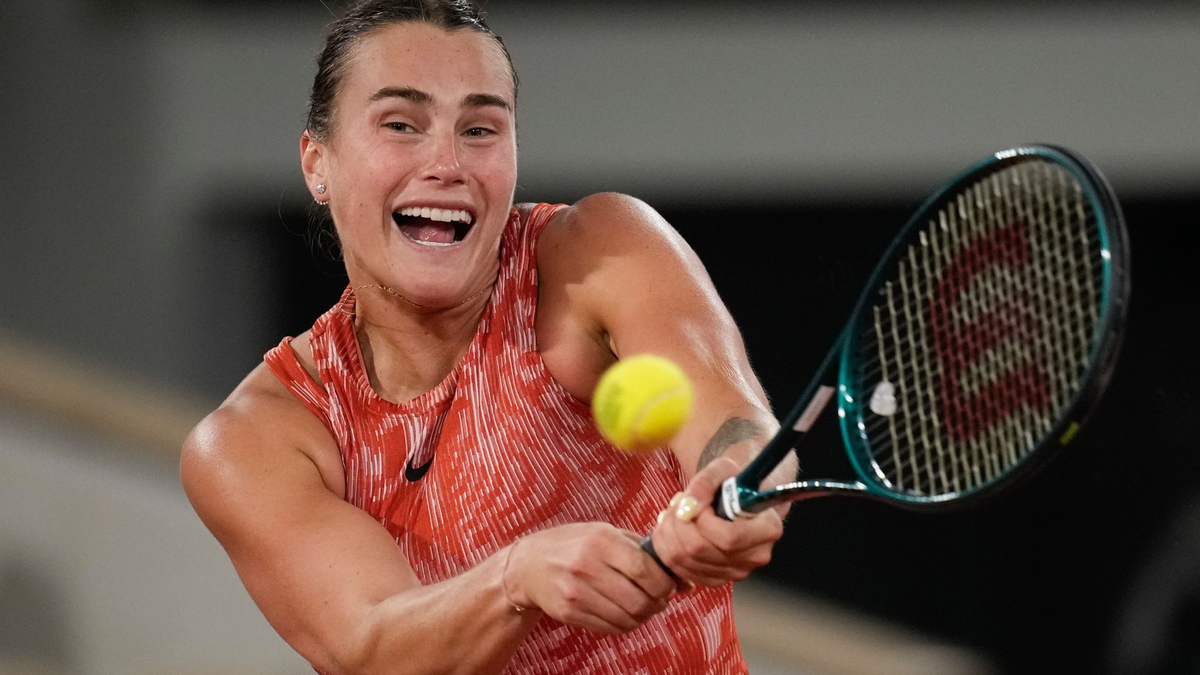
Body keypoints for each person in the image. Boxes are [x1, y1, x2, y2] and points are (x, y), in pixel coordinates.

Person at [180, 1, 795, 673]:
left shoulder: (600, 252)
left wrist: (735, 486)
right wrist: (515, 579)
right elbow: (371, 645)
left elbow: (736, 421)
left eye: (480, 129)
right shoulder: (256, 438)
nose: (447, 162)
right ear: (317, 163)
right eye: (401, 124)